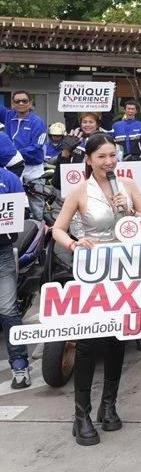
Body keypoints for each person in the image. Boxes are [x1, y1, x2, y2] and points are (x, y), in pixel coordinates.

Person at [52, 133, 141, 445]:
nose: (109, 162)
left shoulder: (128, 186)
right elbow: (58, 229)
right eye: (102, 156)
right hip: (93, 270)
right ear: (89, 160)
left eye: (112, 155)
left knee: (117, 338)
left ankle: (109, 405)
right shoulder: (80, 190)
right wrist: (74, 243)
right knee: (88, 341)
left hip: (124, 268)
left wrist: (129, 211)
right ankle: (81, 414)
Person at [0, 166, 30, 388]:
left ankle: (20, 364)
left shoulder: (8, 178)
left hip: (2, 253)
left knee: (8, 309)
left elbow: (23, 212)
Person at [3, 90, 47, 218]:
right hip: (12, 170)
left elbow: (37, 146)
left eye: (24, 101)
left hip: (32, 171)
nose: (21, 103)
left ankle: (39, 227)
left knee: (36, 206)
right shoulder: (9, 116)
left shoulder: (37, 122)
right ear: (13, 104)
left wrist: (14, 154)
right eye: (17, 101)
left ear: (30, 103)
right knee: (14, 204)